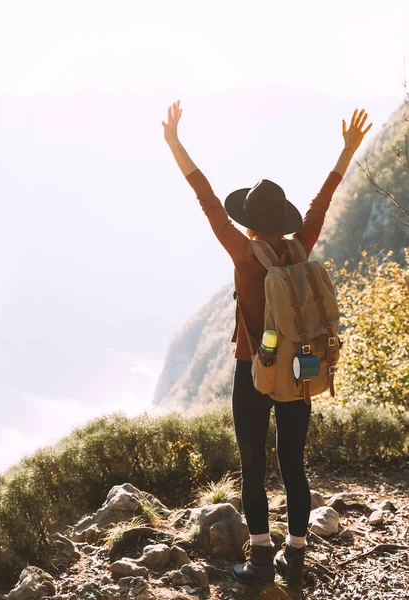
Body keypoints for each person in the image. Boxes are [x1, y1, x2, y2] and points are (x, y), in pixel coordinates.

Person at [162, 101, 372, 588]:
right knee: (293, 466)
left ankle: (260, 560)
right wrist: (346, 152)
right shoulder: (301, 248)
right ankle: (295, 557)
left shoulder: (242, 252)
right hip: (300, 371)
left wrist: (175, 143)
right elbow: (322, 204)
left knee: (253, 466)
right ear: (285, 221)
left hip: (251, 370)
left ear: (250, 222)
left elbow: (207, 199)